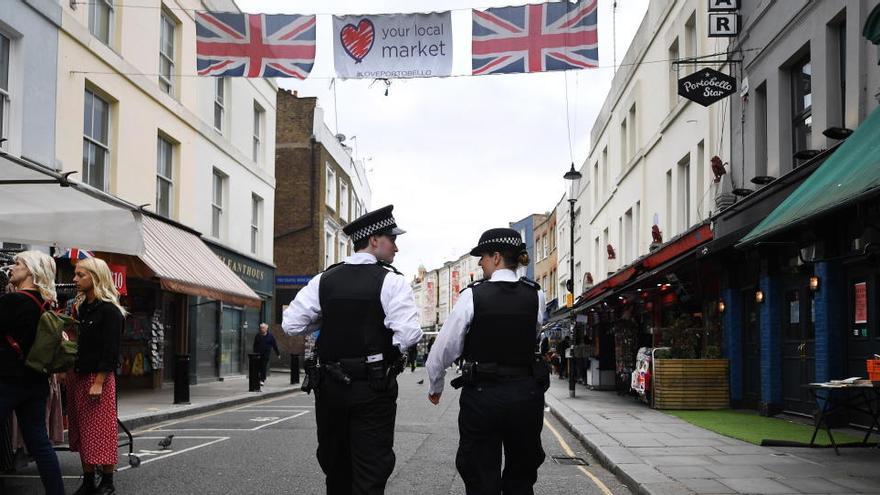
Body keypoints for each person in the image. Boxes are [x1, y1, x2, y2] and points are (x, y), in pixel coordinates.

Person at [282, 205, 422, 495]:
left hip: (330, 388)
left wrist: (326, 317)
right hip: (373, 388)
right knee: (371, 470)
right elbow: (408, 334)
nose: (396, 246)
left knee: (336, 468)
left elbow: (292, 325)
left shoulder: (324, 280)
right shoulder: (392, 281)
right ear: (374, 240)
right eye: (391, 239)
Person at [426, 228, 547, 494]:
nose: (479, 262)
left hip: (483, 395)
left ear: (496, 257)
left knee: (480, 474)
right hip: (526, 394)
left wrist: (435, 385)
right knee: (522, 473)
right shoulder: (535, 294)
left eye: (482, 256)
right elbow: (534, 335)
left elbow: (444, 347)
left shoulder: (473, 295)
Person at [0, 251, 65, 494]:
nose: (12, 267)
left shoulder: (13, 301)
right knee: (40, 443)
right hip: (36, 381)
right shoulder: (46, 303)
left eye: (18, 263)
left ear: (31, 270)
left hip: (7, 381)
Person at [69, 257, 126, 495]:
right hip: (79, 375)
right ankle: (89, 480)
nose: (75, 279)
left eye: (80, 274)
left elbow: (111, 350)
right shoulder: (81, 308)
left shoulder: (110, 311)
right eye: (76, 274)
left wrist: (100, 382)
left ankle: (108, 481)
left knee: (102, 430)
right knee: (82, 430)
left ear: (95, 277)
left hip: (98, 377)